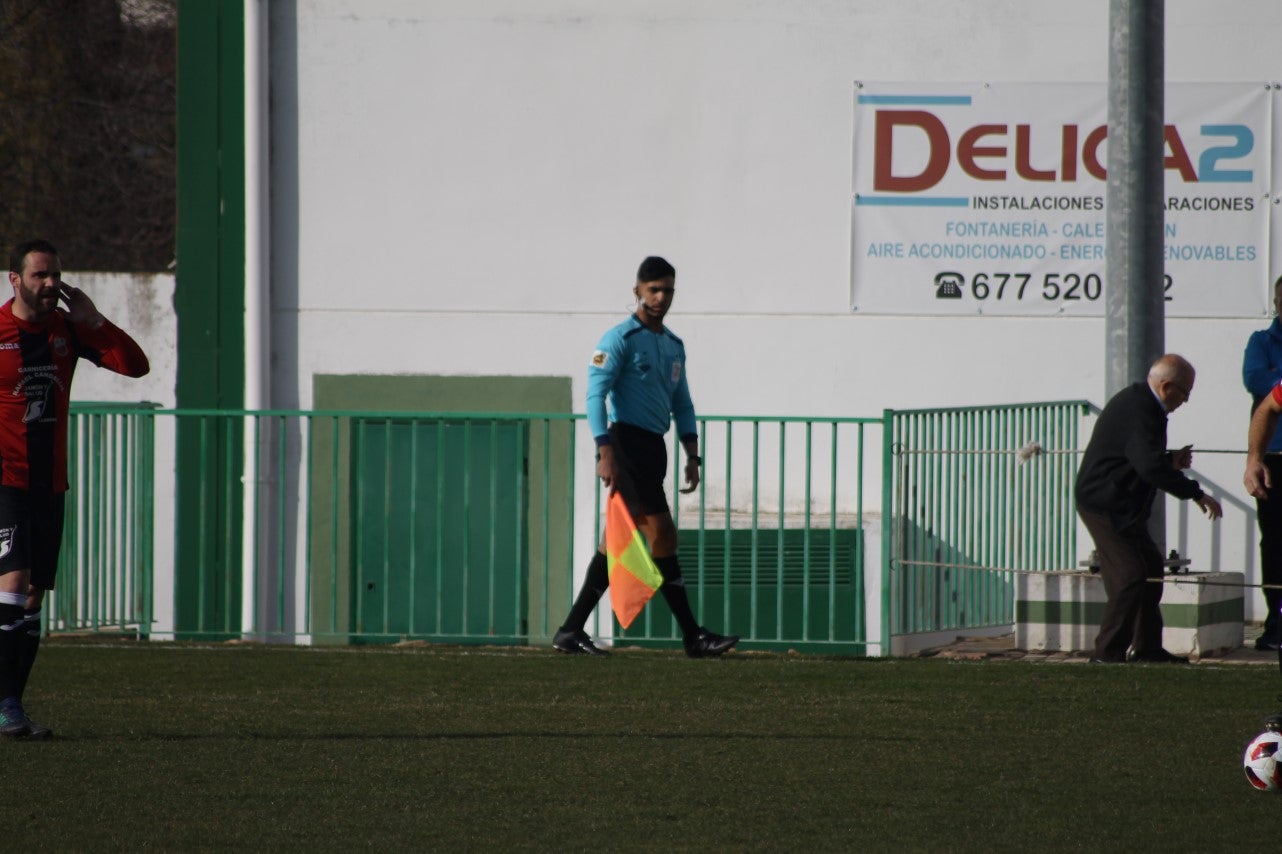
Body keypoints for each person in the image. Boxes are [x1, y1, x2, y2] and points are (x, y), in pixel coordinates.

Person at [552, 256, 738, 658]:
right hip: (626, 445)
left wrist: (693, 452)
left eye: (667, 290)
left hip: (654, 448)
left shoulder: (673, 345)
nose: (660, 297)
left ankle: (570, 630)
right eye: (653, 289)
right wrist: (604, 450)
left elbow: (683, 403)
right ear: (636, 290)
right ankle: (693, 636)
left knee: (612, 544)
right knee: (663, 536)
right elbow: (594, 395)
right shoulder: (619, 338)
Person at [0, 239, 150, 739]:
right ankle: (3, 705)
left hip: (50, 483)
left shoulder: (67, 331)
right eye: (40, 275)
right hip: (6, 481)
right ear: (14, 279)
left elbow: (135, 365)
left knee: (34, 599)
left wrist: (94, 322)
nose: (50, 284)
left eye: (55, 276)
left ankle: (13, 707)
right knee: (13, 586)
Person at [1075, 354, 1222, 664]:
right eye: (1186, 393)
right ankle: (1107, 653)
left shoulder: (1142, 404)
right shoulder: (1140, 408)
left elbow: (1139, 457)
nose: (1186, 401)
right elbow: (1146, 465)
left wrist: (1169, 461)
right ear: (1167, 386)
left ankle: (1147, 648)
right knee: (1130, 575)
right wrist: (1195, 493)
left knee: (1151, 568)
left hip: (1121, 502)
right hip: (1105, 504)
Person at [1242, 276, 1282, 651]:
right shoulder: (1262, 341)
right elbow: (1256, 381)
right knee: (1275, 543)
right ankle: (1276, 623)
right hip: (1275, 458)